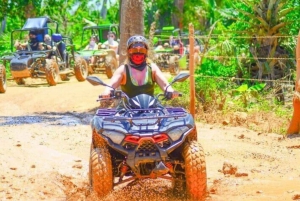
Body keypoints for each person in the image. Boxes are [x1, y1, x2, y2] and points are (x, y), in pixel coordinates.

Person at [101, 35, 179, 100]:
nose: (138, 53)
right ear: (128, 52)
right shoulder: (123, 70)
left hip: (150, 109)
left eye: (142, 50)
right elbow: (111, 85)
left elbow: (165, 85)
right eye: (134, 50)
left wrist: (170, 91)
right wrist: (107, 92)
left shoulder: (153, 68)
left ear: (146, 52)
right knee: (115, 118)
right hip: (127, 109)